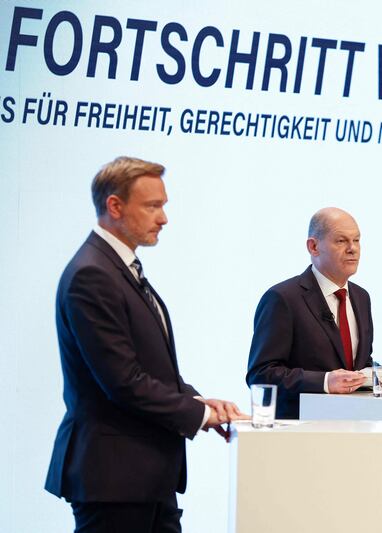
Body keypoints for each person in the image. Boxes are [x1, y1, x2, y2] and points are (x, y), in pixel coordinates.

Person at [45, 156, 245, 533]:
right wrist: (199, 416)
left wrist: (198, 401)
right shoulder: (93, 274)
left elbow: (149, 368)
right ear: (115, 207)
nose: (164, 218)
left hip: (146, 478)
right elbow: (123, 381)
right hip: (114, 480)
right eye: (153, 206)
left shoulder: (118, 268)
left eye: (164, 205)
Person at [246, 207, 376, 420]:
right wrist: (324, 381)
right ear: (313, 246)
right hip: (302, 432)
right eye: (341, 241)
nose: (353, 249)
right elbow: (261, 375)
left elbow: (358, 363)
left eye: (357, 240)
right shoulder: (283, 298)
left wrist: (377, 378)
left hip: (353, 426)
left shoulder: (362, 297)